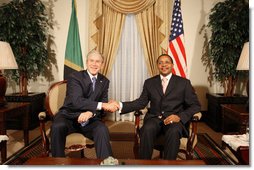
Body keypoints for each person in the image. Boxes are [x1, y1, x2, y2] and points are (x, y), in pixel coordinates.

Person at [112, 54, 201, 160]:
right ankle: (143, 165)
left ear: (172, 65)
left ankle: (169, 166)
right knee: (146, 129)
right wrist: (120, 105)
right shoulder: (149, 82)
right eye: (160, 62)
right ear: (157, 66)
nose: (164, 65)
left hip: (175, 120)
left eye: (167, 62)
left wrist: (180, 117)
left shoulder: (184, 83)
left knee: (173, 131)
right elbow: (141, 102)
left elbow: (195, 105)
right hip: (154, 118)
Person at [50, 50, 118, 158]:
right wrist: (103, 105)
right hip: (69, 116)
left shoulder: (104, 81)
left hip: (89, 120)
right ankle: (58, 162)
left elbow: (103, 102)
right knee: (58, 126)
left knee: (102, 129)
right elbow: (77, 101)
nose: (94, 64)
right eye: (91, 61)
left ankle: (106, 163)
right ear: (86, 62)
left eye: (98, 61)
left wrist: (90, 113)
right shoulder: (75, 77)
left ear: (102, 64)